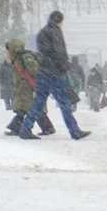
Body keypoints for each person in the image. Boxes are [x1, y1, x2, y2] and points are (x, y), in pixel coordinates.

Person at [21, 8, 89, 142]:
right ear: (59, 21)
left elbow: (43, 53)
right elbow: (59, 53)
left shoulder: (42, 33)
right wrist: (65, 67)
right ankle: (74, 131)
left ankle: (25, 129)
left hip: (42, 74)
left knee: (38, 103)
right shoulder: (55, 32)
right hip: (55, 74)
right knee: (65, 103)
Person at [3, 39, 45, 136]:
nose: (7, 52)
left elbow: (35, 71)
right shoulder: (17, 59)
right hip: (23, 88)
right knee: (26, 109)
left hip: (27, 88)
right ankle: (46, 127)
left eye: (9, 50)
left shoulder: (24, 57)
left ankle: (16, 128)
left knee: (23, 110)